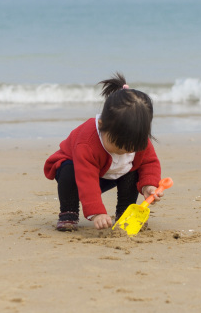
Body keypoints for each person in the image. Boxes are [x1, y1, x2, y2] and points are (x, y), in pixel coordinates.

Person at [43, 73, 163, 231]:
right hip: (77, 172)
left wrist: (148, 185)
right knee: (67, 171)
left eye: (130, 148)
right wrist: (97, 213)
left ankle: (125, 213)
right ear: (101, 125)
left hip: (111, 171)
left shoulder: (137, 139)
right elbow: (86, 180)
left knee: (132, 171)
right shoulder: (87, 143)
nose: (123, 152)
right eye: (118, 146)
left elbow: (149, 162)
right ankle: (68, 213)